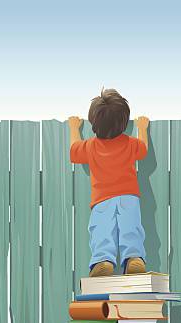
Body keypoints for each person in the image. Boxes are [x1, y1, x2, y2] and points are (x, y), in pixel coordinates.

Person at [68, 88, 149, 277]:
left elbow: (73, 151)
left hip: (102, 199)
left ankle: (102, 260)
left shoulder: (90, 146)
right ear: (123, 122)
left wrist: (73, 128)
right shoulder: (130, 143)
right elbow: (143, 149)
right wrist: (142, 129)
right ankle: (134, 258)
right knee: (131, 227)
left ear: (93, 123)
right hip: (128, 196)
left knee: (102, 230)